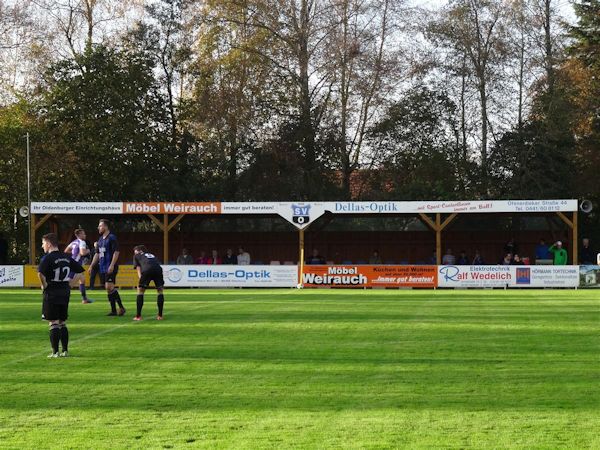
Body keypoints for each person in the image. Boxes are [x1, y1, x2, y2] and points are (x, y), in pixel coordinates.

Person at [38, 233, 84, 358]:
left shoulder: (47, 258)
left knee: (53, 322)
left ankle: (54, 352)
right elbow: (80, 272)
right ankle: (65, 351)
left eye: (43, 243)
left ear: (48, 243)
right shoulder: (66, 257)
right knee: (62, 322)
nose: (43, 246)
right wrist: (70, 284)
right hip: (65, 292)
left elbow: (40, 274)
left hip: (52, 292)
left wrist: (44, 285)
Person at [89, 219, 125, 316]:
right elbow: (97, 253)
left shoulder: (112, 238)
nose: (98, 228)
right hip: (103, 267)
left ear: (105, 227)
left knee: (109, 286)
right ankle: (114, 310)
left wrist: (112, 265)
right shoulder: (100, 240)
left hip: (110, 266)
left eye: (100, 226)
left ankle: (121, 307)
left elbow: (116, 252)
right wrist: (91, 266)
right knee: (108, 288)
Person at [132, 245, 165, 321]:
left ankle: (138, 316)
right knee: (160, 291)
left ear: (140, 251)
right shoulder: (151, 255)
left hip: (147, 270)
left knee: (140, 291)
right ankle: (160, 316)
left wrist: (140, 278)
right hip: (158, 270)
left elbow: (138, 267)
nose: (134, 253)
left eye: (135, 251)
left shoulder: (136, 255)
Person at [64, 228, 93, 304]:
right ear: (79, 235)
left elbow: (66, 250)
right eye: (83, 234)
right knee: (70, 284)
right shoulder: (82, 242)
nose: (85, 235)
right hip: (76, 264)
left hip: (73, 262)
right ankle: (61, 298)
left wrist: (74, 253)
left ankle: (84, 299)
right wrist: (88, 250)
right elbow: (83, 253)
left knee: (82, 280)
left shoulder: (74, 242)